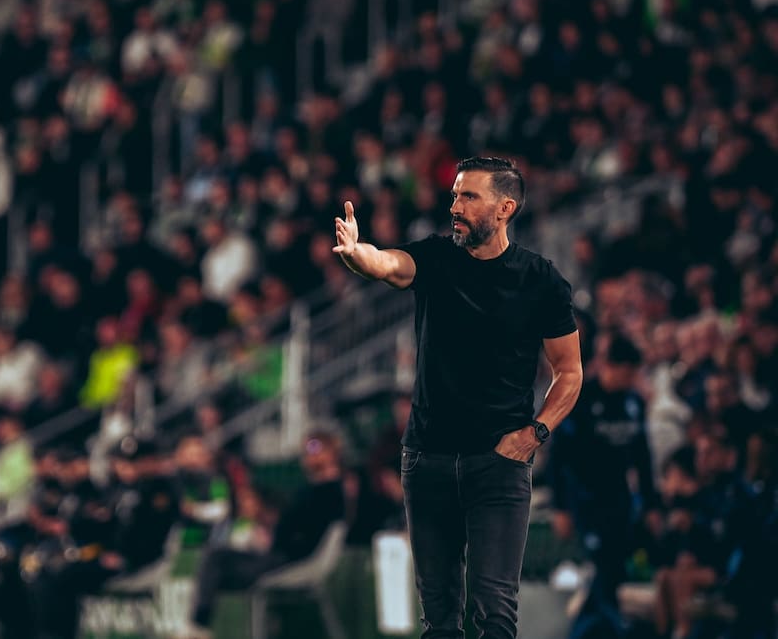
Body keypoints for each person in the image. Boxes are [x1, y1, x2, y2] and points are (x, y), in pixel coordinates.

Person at [333, 157, 583, 638]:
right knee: (440, 617)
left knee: (495, 611)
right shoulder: (435, 257)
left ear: (504, 207)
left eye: (469, 196)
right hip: (427, 459)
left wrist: (535, 433)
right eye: (454, 195)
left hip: (499, 463)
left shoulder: (541, 280)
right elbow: (388, 264)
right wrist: (356, 252)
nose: (456, 206)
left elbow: (569, 373)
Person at [548, 334, 659, 638]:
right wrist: (561, 507)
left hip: (621, 500)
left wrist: (651, 503)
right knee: (604, 566)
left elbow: (643, 456)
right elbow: (559, 457)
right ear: (613, 367)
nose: (632, 379)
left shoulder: (633, 403)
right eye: (628, 372)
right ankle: (589, 629)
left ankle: (593, 628)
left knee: (614, 568)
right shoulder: (581, 399)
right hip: (585, 500)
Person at [189, 429, 347, 635]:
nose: (308, 453)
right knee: (216, 558)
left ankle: (199, 626)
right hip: (278, 555)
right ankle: (199, 624)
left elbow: (304, 533)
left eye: (315, 447)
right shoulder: (312, 489)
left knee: (218, 562)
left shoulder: (331, 490)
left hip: (291, 560)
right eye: (307, 448)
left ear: (332, 451)